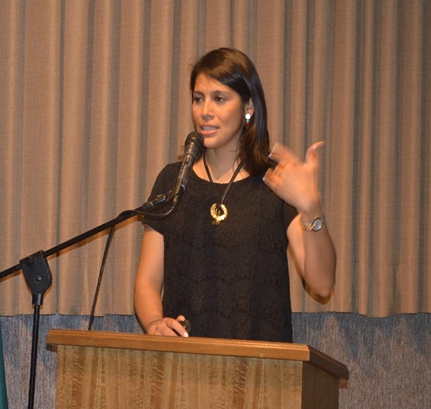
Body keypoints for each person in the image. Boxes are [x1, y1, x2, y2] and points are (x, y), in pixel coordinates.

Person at [133, 47, 336, 341]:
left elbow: (322, 284)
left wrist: (311, 207)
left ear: (248, 108)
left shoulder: (275, 182)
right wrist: (154, 323)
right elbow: (147, 281)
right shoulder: (172, 181)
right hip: (183, 367)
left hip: (261, 370)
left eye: (219, 99)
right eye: (198, 99)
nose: (205, 111)